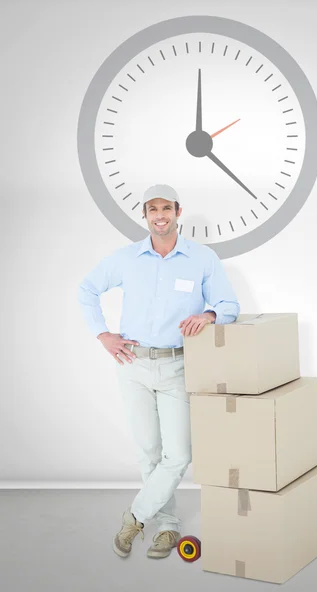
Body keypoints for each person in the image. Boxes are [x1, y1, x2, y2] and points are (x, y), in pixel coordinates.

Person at [77, 183, 240, 560]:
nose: (159, 215)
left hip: (178, 364)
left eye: (166, 208)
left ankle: (135, 516)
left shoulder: (201, 258)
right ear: (145, 215)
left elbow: (229, 303)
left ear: (178, 212)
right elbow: (87, 289)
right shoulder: (126, 258)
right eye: (152, 209)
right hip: (131, 363)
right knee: (148, 452)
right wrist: (103, 334)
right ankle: (167, 528)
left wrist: (209, 314)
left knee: (178, 454)